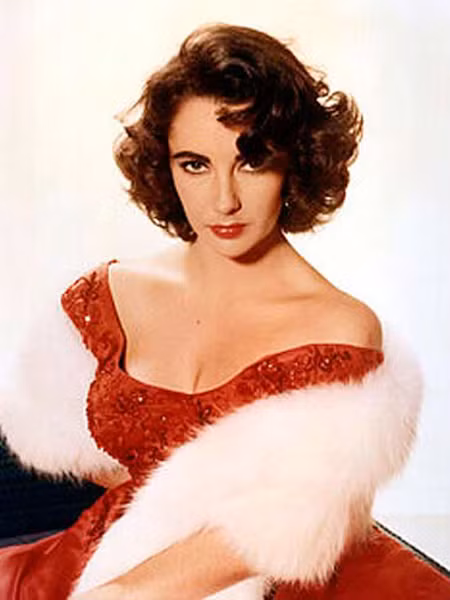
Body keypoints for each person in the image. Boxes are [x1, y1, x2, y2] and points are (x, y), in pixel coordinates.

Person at [0, 22, 447, 600]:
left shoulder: (338, 328)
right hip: (107, 555)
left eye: (252, 162)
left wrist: (122, 592)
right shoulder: (107, 297)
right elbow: (87, 461)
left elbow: (264, 533)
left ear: (296, 162)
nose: (224, 199)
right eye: (195, 164)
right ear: (164, 166)